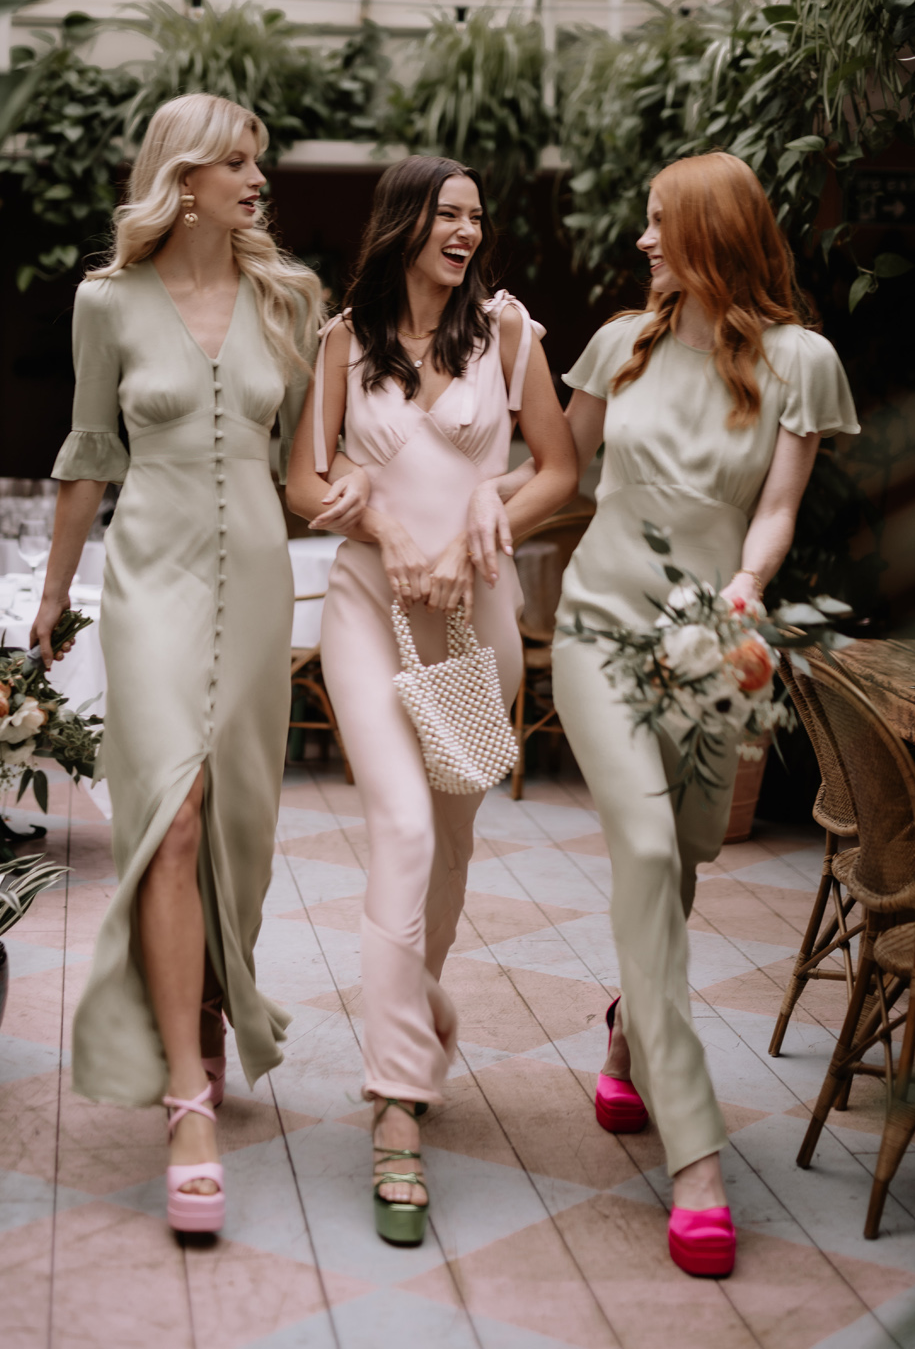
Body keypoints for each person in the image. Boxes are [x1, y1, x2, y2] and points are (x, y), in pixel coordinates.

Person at [468, 152, 858, 1278]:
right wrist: (446, 507)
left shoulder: (801, 362)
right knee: (642, 842)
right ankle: (697, 1158)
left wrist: (749, 587)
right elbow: (557, 471)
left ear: (712, 234)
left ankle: (631, 1028)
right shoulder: (616, 347)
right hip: (599, 622)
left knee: (683, 855)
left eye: (656, 224)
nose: (641, 243)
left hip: (712, 639)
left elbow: (776, 509)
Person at [32, 94, 365, 1236]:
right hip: (151, 584)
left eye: (256, 162)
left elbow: (312, 467)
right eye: (237, 162)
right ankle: (185, 1099)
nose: (257, 179)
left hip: (262, 585)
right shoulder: (107, 302)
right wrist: (52, 596)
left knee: (239, 826)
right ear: (182, 177)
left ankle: (211, 998)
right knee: (169, 818)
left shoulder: (292, 302)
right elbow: (86, 456)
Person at [286, 156, 576, 1246]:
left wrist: (493, 514)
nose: (467, 230)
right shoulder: (340, 341)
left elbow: (557, 468)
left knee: (447, 852)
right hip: (369, 614)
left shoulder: (508, 337)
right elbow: (306, 485)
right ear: (406, 223)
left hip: (476, 624)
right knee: (401, 827)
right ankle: (397, 1106)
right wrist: (391, 528)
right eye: (448, 214)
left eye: (476, 217)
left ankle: (419, 1005)